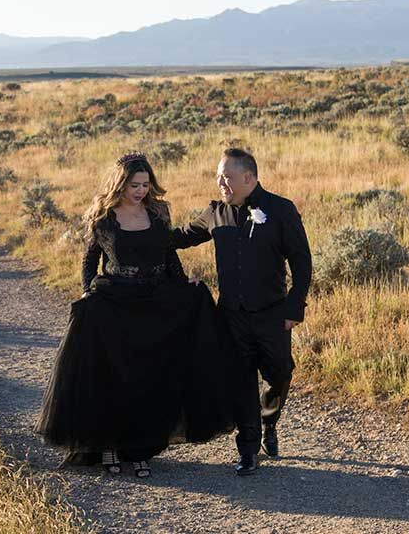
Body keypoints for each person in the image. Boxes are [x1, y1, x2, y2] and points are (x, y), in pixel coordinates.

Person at [35, 151, 239, 478]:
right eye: (135, 185)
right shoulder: (102, 219)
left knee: (151, 376)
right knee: (115, 378)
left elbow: (167, 254)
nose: (141, 190)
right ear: (120, 183)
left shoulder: (158, 213)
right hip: (116, 303)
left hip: (156, 301)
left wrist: (183, 282)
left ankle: (141, 447)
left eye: (145, 184)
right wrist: (88, 293)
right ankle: (109, 446)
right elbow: (90, 262)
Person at [170, 148, 312, 476]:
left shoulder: (280, 209)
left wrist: (295, 306)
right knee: (242, 380)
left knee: (280, 373)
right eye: (218, 176)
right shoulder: (214, 212)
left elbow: (301, 261)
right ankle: (248, 449)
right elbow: (180, 239)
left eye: (227, 176)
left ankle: (270, 420)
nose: (221, 182)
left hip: (273, 313)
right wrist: (139, 231)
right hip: (231, 316)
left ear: (248, 178)